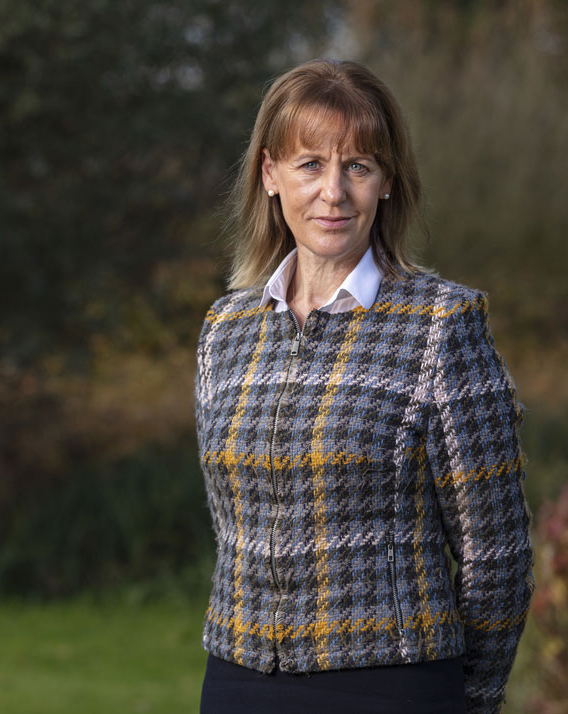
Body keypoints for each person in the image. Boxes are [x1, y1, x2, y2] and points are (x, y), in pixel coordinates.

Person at [194, 58, 534, 714]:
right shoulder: (225, 330)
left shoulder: (442, 325)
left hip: (391, 685)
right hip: (239, 682)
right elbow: (233, 528)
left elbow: (497, 556)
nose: (333, 192)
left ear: (386, 183)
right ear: (270, 174)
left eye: (358, 166)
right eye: (310, 164)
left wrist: (473, 699)